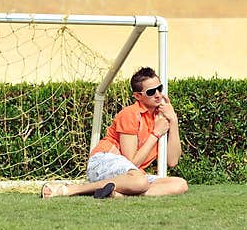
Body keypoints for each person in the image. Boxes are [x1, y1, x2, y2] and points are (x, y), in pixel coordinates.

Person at [41, 67, 189, 198]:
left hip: (131, 175)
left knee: (180, 184)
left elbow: (172, 162)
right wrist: (156, 133)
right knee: (140, 181)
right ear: (137, 96)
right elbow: (132, 161)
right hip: (104, 162)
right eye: (151, 92)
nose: (157, 95)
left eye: (160, 89)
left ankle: (119, 195)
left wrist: (173, 120)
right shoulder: (130, 114)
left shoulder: (160, 117)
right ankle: (73, 189)